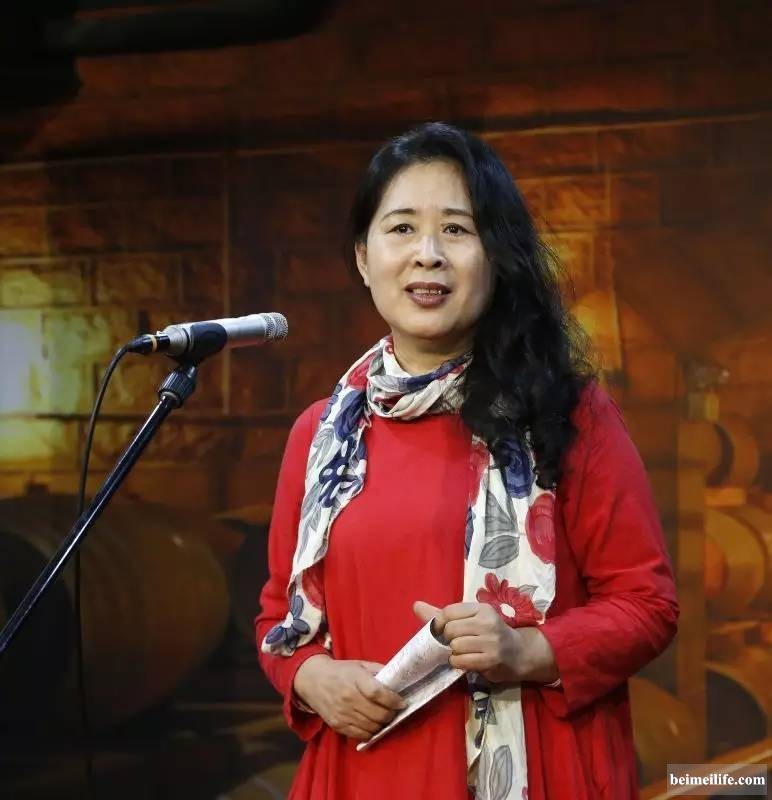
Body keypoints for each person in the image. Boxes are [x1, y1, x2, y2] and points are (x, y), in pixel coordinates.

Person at [255, 122, 679, 800]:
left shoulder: (567, 413)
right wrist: (311, 677)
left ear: (496, 256)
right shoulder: (322, 435)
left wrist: (525, 651)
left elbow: (646, 604)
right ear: (363, 257)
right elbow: (281, 614)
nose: (427, 255)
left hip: (539, 765)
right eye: (401, 229)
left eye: (457, 230)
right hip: (363, 769)